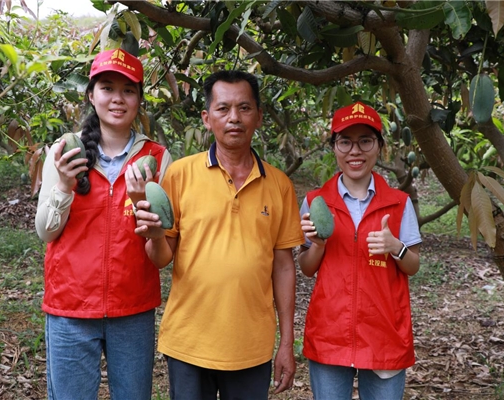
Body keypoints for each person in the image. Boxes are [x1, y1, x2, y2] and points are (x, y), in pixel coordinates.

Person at [133, 70, 305, 400]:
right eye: (223, 108)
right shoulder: (180, 174)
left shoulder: (280, 185)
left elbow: (283, 267)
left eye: (244, 108)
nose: (234, 118)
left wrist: (286, 342)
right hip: (189, 343)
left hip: (251, 346)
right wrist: (154, 235)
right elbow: (161, 258)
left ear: (258, 116)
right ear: (207, 118)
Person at [35, 48, 173, 399]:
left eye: (128, 90)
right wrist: (65, 185)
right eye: (108, 88)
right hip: (71, 306)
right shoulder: (65, 152)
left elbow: (162, 247)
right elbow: (45, 232)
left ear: (140, 99)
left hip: (133, 307)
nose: (117, 99)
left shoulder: (157, 158)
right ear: (91, 94)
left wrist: (144, 205)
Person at [298, 101, 422, 400]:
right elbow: (306, 267)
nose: (355, 151)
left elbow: (413, 265)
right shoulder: (316, 202)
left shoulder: (399, 203)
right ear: (334, 147)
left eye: (365, 141)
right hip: (331, 333)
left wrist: (396, 247)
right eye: (345, 142)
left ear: (379, 146)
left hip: (383, 335)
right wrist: (318, 245)